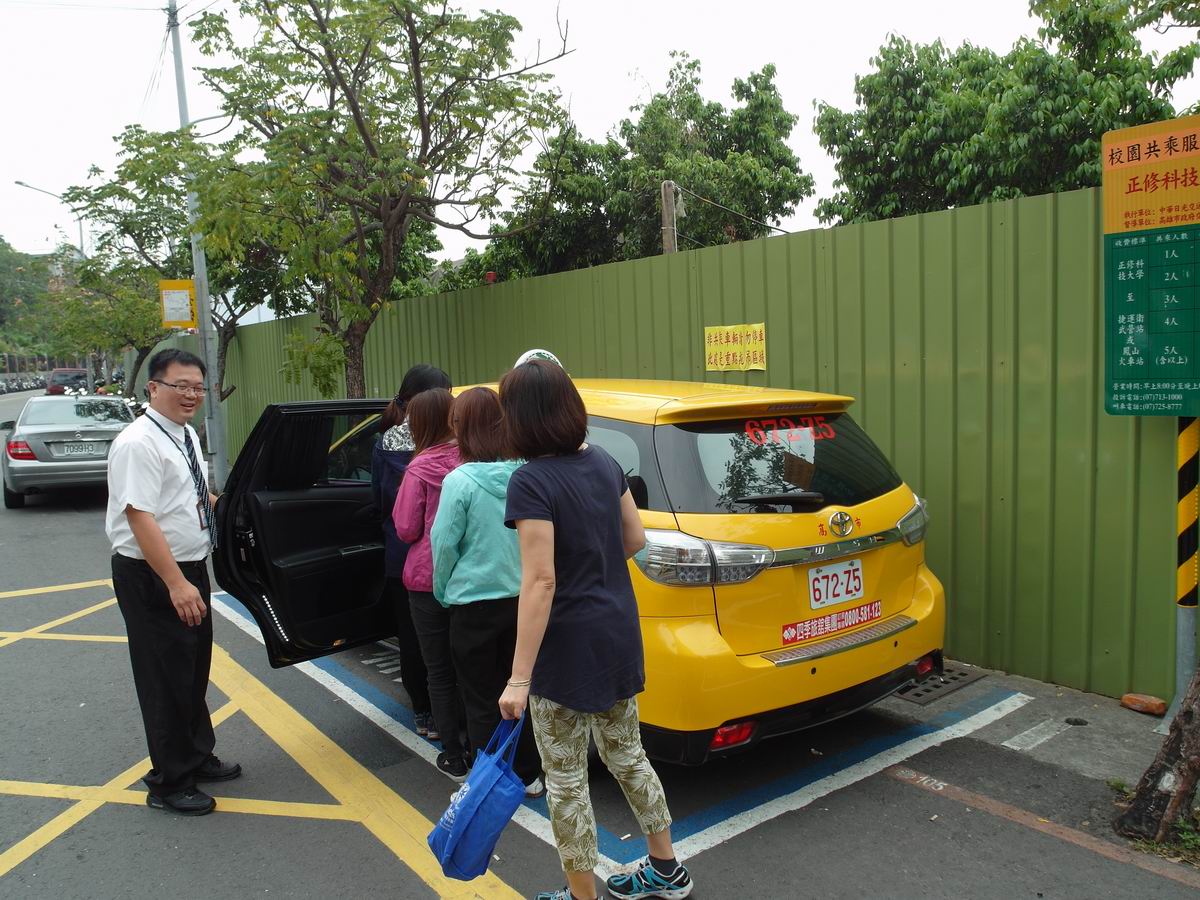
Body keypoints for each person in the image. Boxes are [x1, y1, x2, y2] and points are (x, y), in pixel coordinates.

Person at [498, 359, 693, 900]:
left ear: (518, 419)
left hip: (565, 653)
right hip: (616, 633)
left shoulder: (531, 481)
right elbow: (635, 540)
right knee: (627, 753)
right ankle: (666, 868)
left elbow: (540, 582)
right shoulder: (605, 462)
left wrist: (518, 678)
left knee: (564, 782)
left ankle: (582, 896)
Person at [105, 348, 241, 817]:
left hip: (189, 567)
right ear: (154, 388)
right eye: (180, 386)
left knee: (192, 668)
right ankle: (169, 782)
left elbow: (185, 491)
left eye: (197, 388)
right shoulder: (138, 443)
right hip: (154, 576)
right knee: (165, 678)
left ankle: (197, 755)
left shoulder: (181, 435)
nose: (190, 395)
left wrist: (224, 504)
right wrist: (175, 583)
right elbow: (139, 515)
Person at [429, 387, 544, 797]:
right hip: (524, 603)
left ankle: (491, 779)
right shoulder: (526, 474)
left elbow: (443, 546)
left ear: (461, 428)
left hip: (473, 605)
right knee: (521, 689)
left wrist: (443, 593)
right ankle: (529, 775)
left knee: (479, 698)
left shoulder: (459, 481)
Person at [370, 364, 451, 739]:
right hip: (452, 559)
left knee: (415, 638)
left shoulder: (386, 443)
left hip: (403, 559)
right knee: (448, 639)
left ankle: (424, 712)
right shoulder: (458, 446)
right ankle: (451, 713)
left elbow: (384, 504)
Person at [392, 388, 468, 780]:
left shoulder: (419, 469)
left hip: (426, 579)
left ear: (420, 424)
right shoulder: (474, 459)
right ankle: (478, 740)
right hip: (471, 576)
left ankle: (453, 752)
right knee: (472, 665)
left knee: (438, 669)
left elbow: (405, 529)